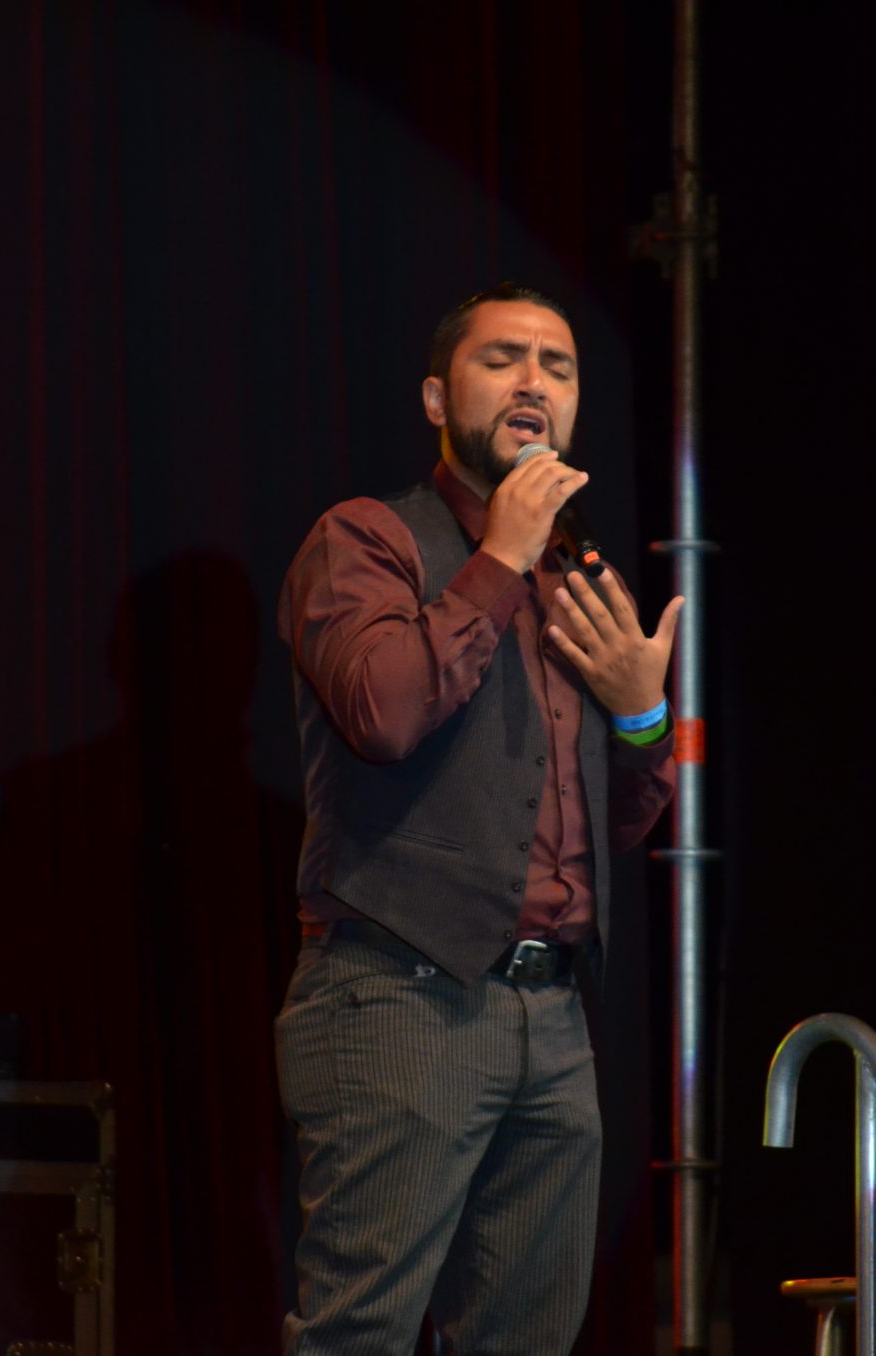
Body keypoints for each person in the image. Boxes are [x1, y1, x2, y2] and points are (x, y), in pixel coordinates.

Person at [275, 282, 683, 1354]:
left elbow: (619, 822)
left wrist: (643, 715)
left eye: (557, 367)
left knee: (524, 1340)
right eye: (502, 361)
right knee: (357, 1334)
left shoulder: (577, 580)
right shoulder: (367, 540)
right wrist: (498, 557)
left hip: (551, 1016)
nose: (532, 385)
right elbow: (383, 713)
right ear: (434, 395)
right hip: (398, 994)